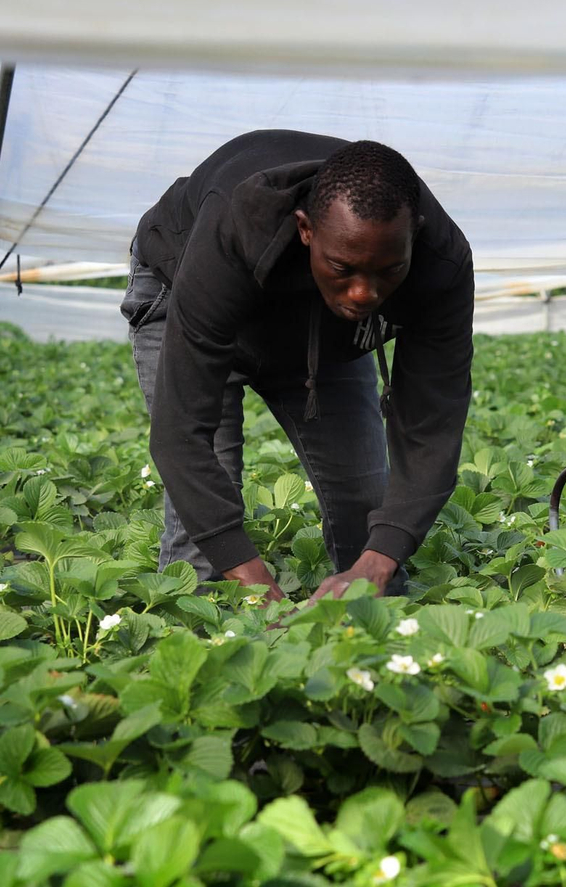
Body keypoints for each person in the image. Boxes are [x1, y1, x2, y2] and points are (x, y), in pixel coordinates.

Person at [120, 130, 474, 603]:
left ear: (414, 236)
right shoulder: (231, 221)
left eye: (388, 270)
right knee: (202, 537)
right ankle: (209, 652)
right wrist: (256, 588)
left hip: (322, 331)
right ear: (306, 229)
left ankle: (372, 655)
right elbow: (180, 437)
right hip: (184, 286)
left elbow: (433, 425)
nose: (364, 294)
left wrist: (378, 560)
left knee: (365, 503)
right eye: (344, 268)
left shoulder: (441, 263)